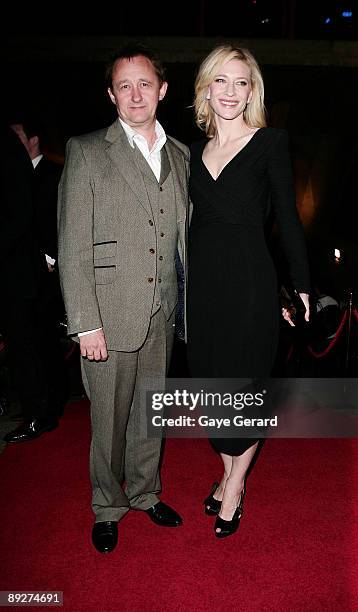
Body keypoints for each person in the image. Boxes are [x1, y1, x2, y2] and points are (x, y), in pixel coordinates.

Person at [57, 43, 189, 554]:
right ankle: (108, 505)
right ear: (112, 95)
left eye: (145, 84)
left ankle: (144, 492)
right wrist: (84, 322)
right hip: (107, 317)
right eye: (124, 86)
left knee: (150, 413)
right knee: (108, 419)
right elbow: (72, 245)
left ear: (162, 91)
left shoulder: (180, 155)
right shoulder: (89, 151)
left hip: (163, 310)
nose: (136, 94)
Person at [187, 45, 310, 538]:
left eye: (241, 82)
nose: (231, 92)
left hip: (252, 286)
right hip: (204, 288)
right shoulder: (189, 152)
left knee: (247, 387)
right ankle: (226, 470)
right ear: (206, 88)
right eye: (222, 81)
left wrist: (300, 286)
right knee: (208, 387)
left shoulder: (270, 142)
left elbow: (288, 219)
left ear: (252, 90)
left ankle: (234, 486)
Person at [1, 123, 62, 445]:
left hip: (33, 268)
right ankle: (39, 406)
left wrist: (50, 256)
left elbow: (48, 217)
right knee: (31, 341)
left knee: (34, 341)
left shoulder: (50, 172)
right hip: (29, 267)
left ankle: (42, 410)